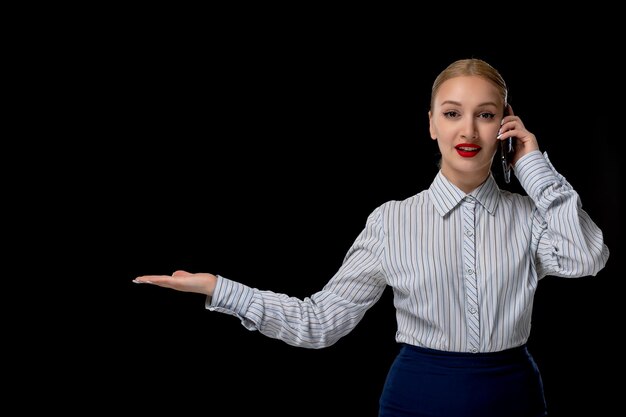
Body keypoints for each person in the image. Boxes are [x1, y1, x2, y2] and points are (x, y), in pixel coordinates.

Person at [133, 58, 609, 417]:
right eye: (451, 113)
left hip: (514, 399)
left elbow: (586, 256)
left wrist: (532, 164)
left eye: (485, 115)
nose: (467, 130)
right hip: (415, 400)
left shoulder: (529, 216)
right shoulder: (390, 222)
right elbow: (320, 323)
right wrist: (221, 289)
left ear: (504, 125)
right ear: (430, 124)